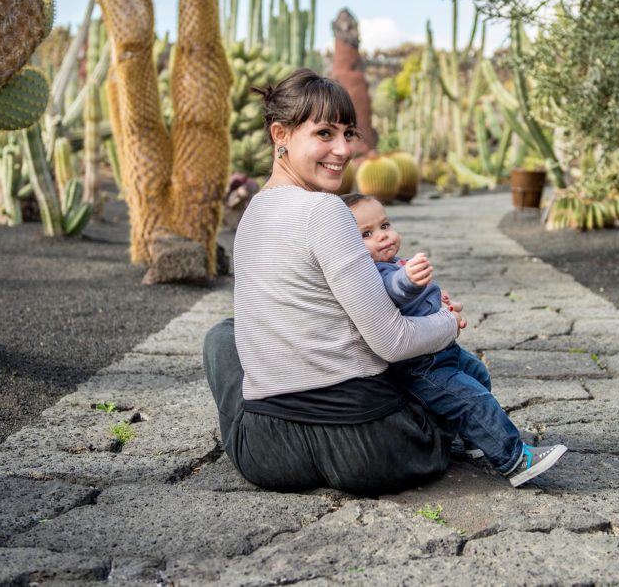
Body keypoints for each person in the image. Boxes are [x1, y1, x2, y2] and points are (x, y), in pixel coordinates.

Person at [203, 68, 463, 495]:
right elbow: (392, 342)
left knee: (222, 337)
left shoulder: (251, 216)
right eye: (324, 133)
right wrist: (446, 322)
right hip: (374, 451)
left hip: (266, 455)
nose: (343, 149)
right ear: (280, 134)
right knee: (425, 337)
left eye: (348, 133)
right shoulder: (326, 211)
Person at [341, 193, 568, 487]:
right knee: (473, 401)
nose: (383, 237)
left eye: (385, 226)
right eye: (367, 234)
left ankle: (476, 437)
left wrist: (436, 297)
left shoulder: (395, 261)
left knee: (477, 373)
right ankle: (514, 460)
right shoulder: (373, 273)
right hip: (422, 367)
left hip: (443, 351)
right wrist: (409, 281)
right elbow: (394, 290)